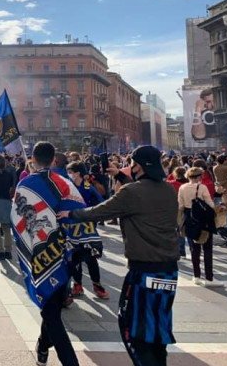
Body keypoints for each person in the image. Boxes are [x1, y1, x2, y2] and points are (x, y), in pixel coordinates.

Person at [58, 145, 180, 366]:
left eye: (132, 164)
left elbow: (100, 210)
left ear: (139, 166)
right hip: (169, 270)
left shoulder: (131, 192)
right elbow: (143, 194)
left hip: (143, 270)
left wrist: (71, 213)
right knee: (158, 330)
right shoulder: (168, 189)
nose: (130, 167)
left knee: (132, 329)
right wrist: (119, 175)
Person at [12, 142, 80, 366]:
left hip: (39, 253)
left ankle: (49, 350)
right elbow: (79, 216)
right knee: (52, 309)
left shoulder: (24, 185)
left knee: (51, 311)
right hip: (64, 255)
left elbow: (16, 221)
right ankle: (45, 347)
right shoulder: (65, 183)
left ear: (32, 158)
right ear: (53, 160)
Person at [65, 162, 108, 300]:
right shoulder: (67, 186)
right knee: (74, 258)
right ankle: (77, 285)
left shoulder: (88, 187)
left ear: (77, 173)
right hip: (72, 228)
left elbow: (99, 203)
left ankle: (97, 285)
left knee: (91, 258)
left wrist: (92, 216)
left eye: (70, 171)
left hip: (87, 228)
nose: (68, 174)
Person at [178, 167, 222, 287]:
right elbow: (209, 203)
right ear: (199, 176)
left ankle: (196, 276)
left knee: (194, 248)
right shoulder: (202, 187)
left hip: (189, 220)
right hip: (203, 220)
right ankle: (209, 278)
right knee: (207, 248)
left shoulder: (183, 187)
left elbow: (180, 205)